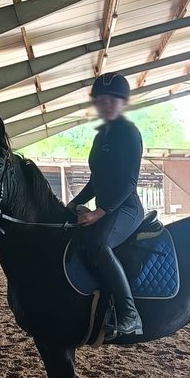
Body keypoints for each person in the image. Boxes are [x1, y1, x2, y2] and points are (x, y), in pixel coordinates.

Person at [67, 73, 145, 338]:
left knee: (100, 243)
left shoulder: (129, 133)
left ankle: (129, 314)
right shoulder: (101, 137)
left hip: (126, 207)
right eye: (101, 99)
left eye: (112, 99)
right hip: (107, 207)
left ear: (122, 103)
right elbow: (95, 181)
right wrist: (72, 203)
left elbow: (129, 182)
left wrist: (100, 212)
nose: (106, 104)